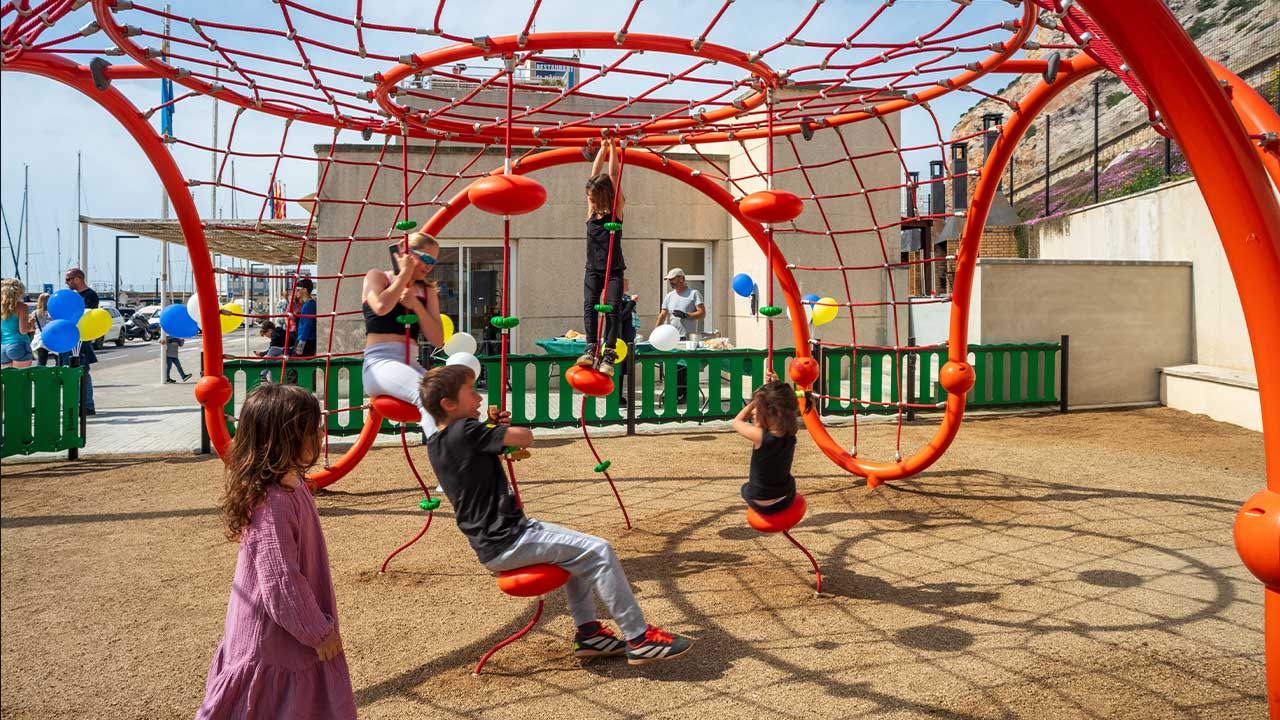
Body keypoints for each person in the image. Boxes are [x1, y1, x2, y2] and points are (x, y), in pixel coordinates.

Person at [421, 364, 694, 665]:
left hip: (494, 544)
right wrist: (498, 429)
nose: (479, 398)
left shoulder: (438, 443)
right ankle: (639, 637)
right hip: (511, 539)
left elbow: (482, 454)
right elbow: (524, 437)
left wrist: (491, 429)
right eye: (471, 393)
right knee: (599, 550)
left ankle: (590, 634)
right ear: (449, 404)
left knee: (578, 553)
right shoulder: (467, 430)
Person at [196, 383, 355, 719]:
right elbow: (281, 582)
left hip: (286, 636)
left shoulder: (291, 485)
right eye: (311, 430)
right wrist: (316, 631)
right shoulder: (273, 503)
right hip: (273, 639)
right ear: (281, 441)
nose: (320, 435)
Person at [361, 231, 445, 436]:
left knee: (451, 397)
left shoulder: (427, 291)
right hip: (380, 362)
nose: (429, 266)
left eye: (433, 262)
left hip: (411, 363)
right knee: (428, 396)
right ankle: (446, 454)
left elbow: (438, 339)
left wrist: (416, 305)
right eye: (425, 258)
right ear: (406, 253)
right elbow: (381, 306)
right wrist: (404, 276)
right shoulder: (378, 276)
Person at [578, 139, 626, 377]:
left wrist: (614, 147)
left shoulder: (616, 209)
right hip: (592, 269)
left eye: (593, 197)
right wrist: (603, 148)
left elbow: (613, 175)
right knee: (589, 306)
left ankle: (608, 353)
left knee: (613, 309)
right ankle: (591, 347)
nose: (590, 200)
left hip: (614, 269)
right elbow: (593, 173)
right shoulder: (591, 212)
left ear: (603, 195)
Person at [730, 369, 799, 516]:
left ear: (766, 413)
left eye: (756, 412)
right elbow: (783, 402)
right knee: (789, 481)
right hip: (785, 498)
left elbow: (736, 422)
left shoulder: (761, 437)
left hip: (760, 501)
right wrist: (774, 385)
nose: (754, 414)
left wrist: (755, 401)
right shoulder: (791, 434)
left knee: (745, 488)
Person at [655, 268, 707, 404]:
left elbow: (702, 313)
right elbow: (663, 315)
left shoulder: (693, 294)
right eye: (669, 280)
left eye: (673, 279)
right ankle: (675, 393)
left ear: (682, 279)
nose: (671, 282)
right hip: (672, 338)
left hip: (688, 337)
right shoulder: (669, 296)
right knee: (673, 367)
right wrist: (656, 333)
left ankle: (683, 395)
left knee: (686, 368)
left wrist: (687, 315)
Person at [64, 268, 98, 414]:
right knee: (70, 373)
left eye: (68, 280)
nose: (66, 283)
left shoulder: (90, 295)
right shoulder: (71, 297)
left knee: (83, 372)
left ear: (77, 279)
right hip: (68, 338)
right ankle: (75, 404)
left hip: (81, 339)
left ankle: (87, 406)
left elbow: (87, 316)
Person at [0, 278, 33, 369]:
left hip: (3, 347)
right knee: (21, 379)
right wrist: (30, 326)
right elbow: (23, 331)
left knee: (8, 380)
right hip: (18, 344)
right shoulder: (21, 307)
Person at [291, 277, 317, 358]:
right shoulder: (309, 303)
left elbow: (306, 325)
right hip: (307, 340)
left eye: (298, 289)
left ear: (305, 290)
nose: (296, 292)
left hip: (306, 341)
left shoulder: (309, 304)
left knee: (297, 366)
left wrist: (301, 344)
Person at [31, 292, 53, 366]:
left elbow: (33, 326)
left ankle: (39, 376)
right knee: (58, 359)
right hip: (52, 337)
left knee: (41, 361)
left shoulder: (35, 313)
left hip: (40, 338)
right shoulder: (52, 313)